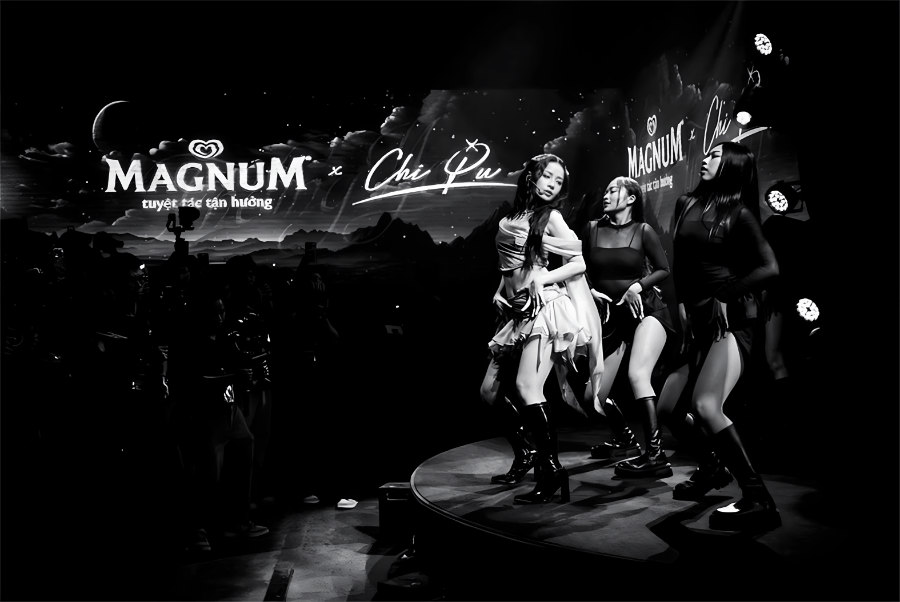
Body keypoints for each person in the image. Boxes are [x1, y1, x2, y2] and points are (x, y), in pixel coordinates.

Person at [660, 141, 781, 532]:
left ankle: (758, 498)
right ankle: (712, 467)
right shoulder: (686, 204)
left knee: (707, 405)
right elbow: (682, 263)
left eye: (716, 156)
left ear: (731, 166)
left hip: (730, 318)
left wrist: (725, 295)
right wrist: (682, 306)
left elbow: (769, 268)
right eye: (707, 154)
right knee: (668, 409)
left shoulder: (739, 214)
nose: (706, 159)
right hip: (697, 318)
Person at [480, 153, 603, 504]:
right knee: (489, 392)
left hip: (546, 309)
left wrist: (543, 279)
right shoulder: (511, 218)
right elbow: (510, 265)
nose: (552, 185)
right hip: (516, 313)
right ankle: (525, 453)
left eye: (559, 181)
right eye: (548, 176)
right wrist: (499, 292)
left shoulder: (552, 217)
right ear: (531, 176)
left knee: (527, 387)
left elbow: (577, 262)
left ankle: (551, 471)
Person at [580, 177, 676, 478]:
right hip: (613, 320)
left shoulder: (642, 230)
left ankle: (656, 455)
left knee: (638, 375)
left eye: (613, 190)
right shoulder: (592, 229)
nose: (606, 195)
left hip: (647, 310)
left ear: (631, 198)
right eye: (606, 190)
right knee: (593, 397)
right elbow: (580, 271)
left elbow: (663, 269)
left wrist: (638, 286)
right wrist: (590, 291)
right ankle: (625, 439)